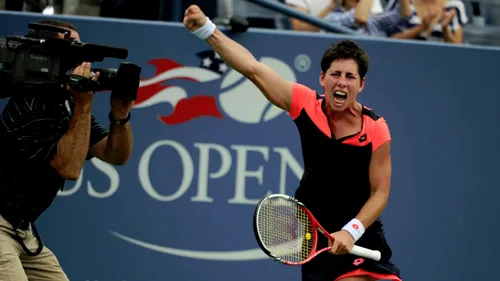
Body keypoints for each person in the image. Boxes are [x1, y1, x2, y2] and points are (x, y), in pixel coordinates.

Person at [184, 5, 400, 281]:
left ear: (362, 85)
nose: (342, 83)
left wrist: (352, 230)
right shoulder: (305, 104)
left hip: (361, 235)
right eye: (335, 74)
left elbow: (380, 192)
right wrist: (207, 29)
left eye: (350, 77)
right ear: (322, 78)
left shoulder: (375, 128)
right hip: (315, 236)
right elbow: (253, 69)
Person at [0, 19, 134, 281]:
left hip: (22, 231)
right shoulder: (28, 109)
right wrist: (84, 105)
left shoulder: (66, 104)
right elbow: (70, 169)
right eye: (73, 54)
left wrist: (120, 115)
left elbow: (115, 155)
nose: (82, 63)